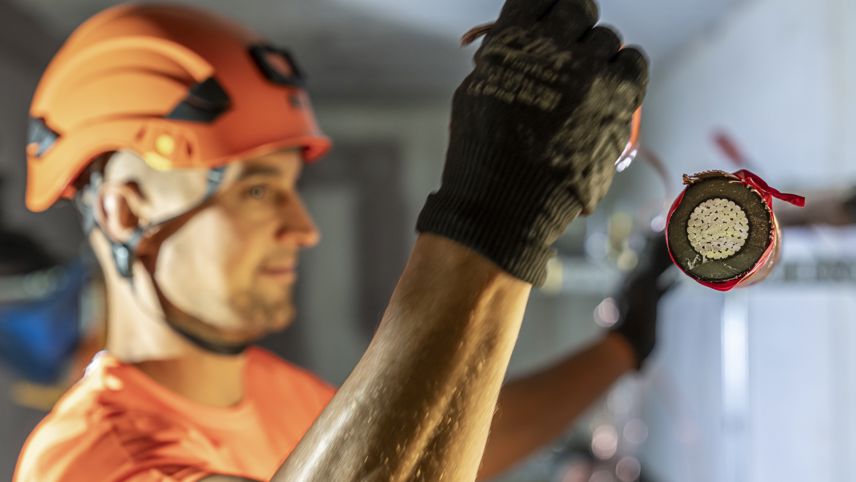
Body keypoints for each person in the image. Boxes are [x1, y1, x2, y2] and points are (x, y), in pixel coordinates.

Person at [13, 0, 650, 480]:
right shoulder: (86, 460)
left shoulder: (268, 390)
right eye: (257, 190)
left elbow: (439, 431)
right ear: (127, 213)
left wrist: (623, 346)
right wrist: (490, 222)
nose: (304, 227)